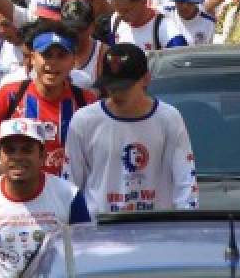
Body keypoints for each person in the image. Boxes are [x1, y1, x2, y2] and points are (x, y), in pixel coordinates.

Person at [63, 44, 198, 215]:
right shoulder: (84, 120)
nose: (117, 93)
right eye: (111, 86)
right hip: (100, 231)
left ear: (146, 79)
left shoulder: (169, 118)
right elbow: (70, 185)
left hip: (155, 230)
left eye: (124, 87)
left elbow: (185, 180)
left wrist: (185, 224)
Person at [0, 119, 90, 278]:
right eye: (10, 150)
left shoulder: (69, 196)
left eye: (26, 150)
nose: (17, 157)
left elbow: (84, 254)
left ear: (42, 155)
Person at [0, 24, 95, 178]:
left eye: (61, 55)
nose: (53, 63)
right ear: (32, 58)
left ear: (73, 61)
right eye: (46, 55)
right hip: (21, 198)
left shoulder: (87, 102)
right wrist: (3, 175)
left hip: (68, 198)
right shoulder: (9, 96)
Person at [107, 0, 188, 51]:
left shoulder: (166, 29)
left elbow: (182, 63)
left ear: (143, 1)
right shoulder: (115, 20)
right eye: (117, 10)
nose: (120, 15)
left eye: (126, 10)